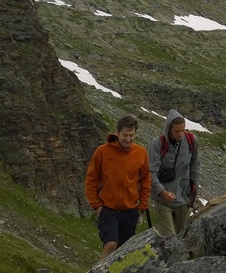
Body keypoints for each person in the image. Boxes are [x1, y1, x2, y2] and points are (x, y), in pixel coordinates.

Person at [84, 115, 151, 259]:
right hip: (108, 209)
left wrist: (142, 207)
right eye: (125, 135)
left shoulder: (141, 153)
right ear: (117, 132)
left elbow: (145, 180)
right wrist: (97, 206)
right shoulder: (102, 151)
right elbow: (91, 179)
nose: (128, 139)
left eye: (131, 135)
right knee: (111, 244)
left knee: (124, 250)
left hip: (130, 211)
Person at [148, 110, 201, 236]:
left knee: (184, 237)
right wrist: (161, 192)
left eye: (183, 130)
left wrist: (194, 191)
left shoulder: (191, 141)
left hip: (184, 198)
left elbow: (195, 166)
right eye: (177, 131)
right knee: (169, 238)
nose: (180, 134)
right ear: (169, 129)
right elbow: (150, 172)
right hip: (163, 200)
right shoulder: (157, 145)